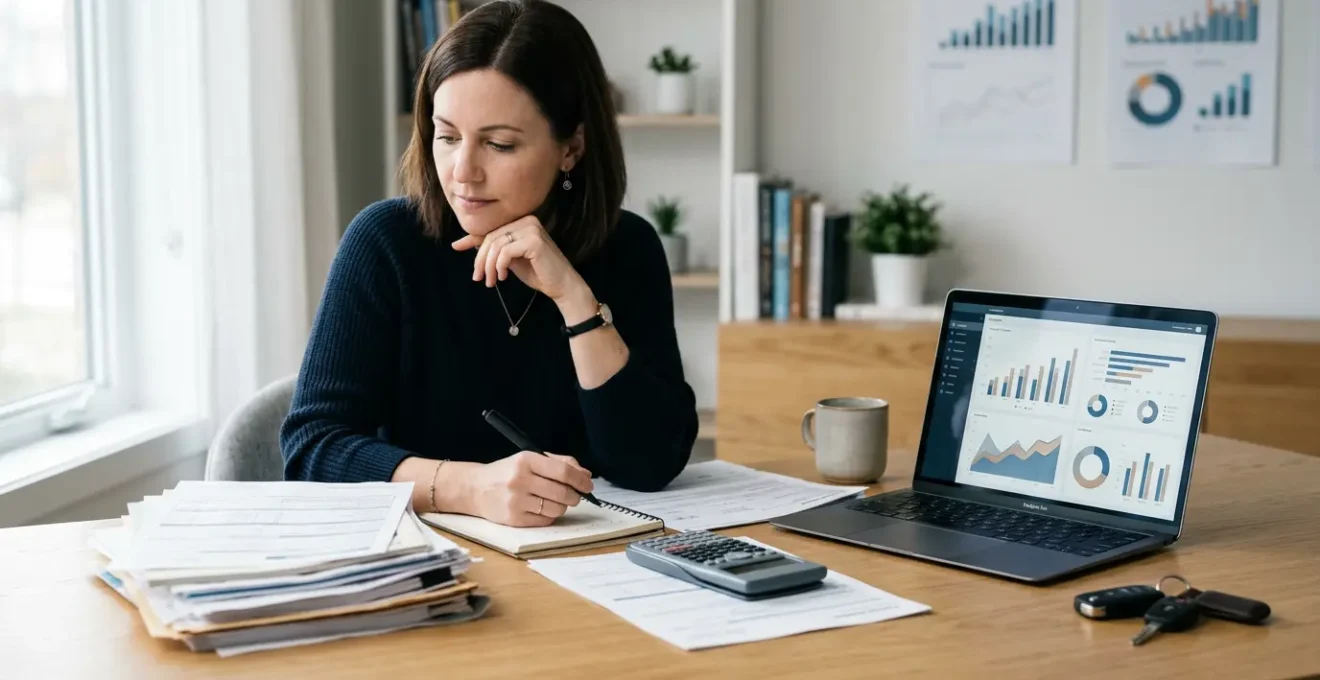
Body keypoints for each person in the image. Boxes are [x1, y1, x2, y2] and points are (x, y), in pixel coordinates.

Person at [280, 0, 698, 527]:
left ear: (571, 148)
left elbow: (649, 464)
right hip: (425, 564)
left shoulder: (628, 246)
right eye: (448, 136)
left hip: (586, 566)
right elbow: (312, 452)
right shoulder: (386, 242)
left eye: (499, 144)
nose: (463, 173)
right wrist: (470, 487)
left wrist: (575, 299)